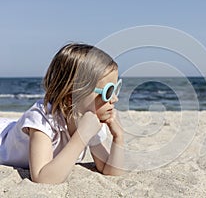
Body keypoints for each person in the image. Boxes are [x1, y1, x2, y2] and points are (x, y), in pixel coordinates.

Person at [0, 43, 124, 184]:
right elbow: (42, 178)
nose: (115, 99)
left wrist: (118, 137)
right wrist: (81, 136)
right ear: (72, 95)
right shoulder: (42, 120)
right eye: (108, 92)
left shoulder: (91, 121)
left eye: (116, 89)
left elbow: (110, 171)